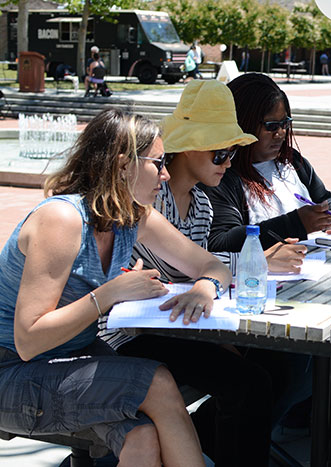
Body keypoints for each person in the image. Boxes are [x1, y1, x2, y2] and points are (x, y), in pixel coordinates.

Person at [0, 108, 236, 466]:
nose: (167, 174)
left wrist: (205, 287)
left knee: (143, 436)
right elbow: (29, 339)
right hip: (13, 371)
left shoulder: (132, 215)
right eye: (158, 163)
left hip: (70, 362)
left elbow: (212, 265)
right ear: (125, 165)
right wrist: (111, 292)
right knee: (157, 380)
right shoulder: (61, 220)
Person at [99, 81, 302, 465]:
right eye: (221, 153)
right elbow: (173, 278)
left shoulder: (203, 206)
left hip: (172, 328)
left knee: (267, 370)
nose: (229, 164)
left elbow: (200, 268)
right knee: (249, 382)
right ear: (188, 147)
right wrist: (244, 267)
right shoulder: (147, 199)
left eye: (231, 153)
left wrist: (220, 277)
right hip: (131, 334)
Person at [202, 73, 331, 424]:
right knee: (299, 361)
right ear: (243, 124)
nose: (280, 133)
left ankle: (330, 432)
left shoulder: (291, 161)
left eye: (285, 123)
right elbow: (221, 242)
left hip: (314, 285)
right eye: (270, 126)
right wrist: (295, 224)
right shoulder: (225, 172)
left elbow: (323, 197)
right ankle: (230, 431)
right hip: (262, 303)